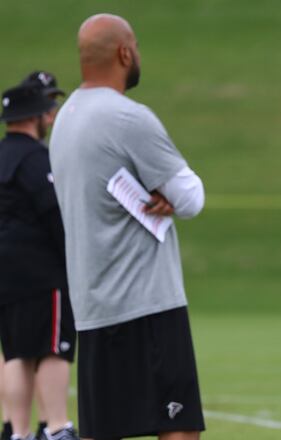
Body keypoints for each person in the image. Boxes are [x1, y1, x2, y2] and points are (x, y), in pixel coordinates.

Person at [49, 13, 205, 440]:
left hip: (92, 307)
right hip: (148, 302)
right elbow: (192, 198)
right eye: (135, 47)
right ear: (124, 52)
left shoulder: (64, 119)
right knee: (179, 427)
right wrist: (169, 197)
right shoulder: (128, 118)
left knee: (105, 430)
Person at [0, 82, 78, 440]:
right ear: (34, 117)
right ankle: (58, 427)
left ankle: (18, 432)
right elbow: (53, 213)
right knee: (52, 348)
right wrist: (73, 258)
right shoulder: (35, 158)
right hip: (40, 271)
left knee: (16, 352)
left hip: (6, 272)